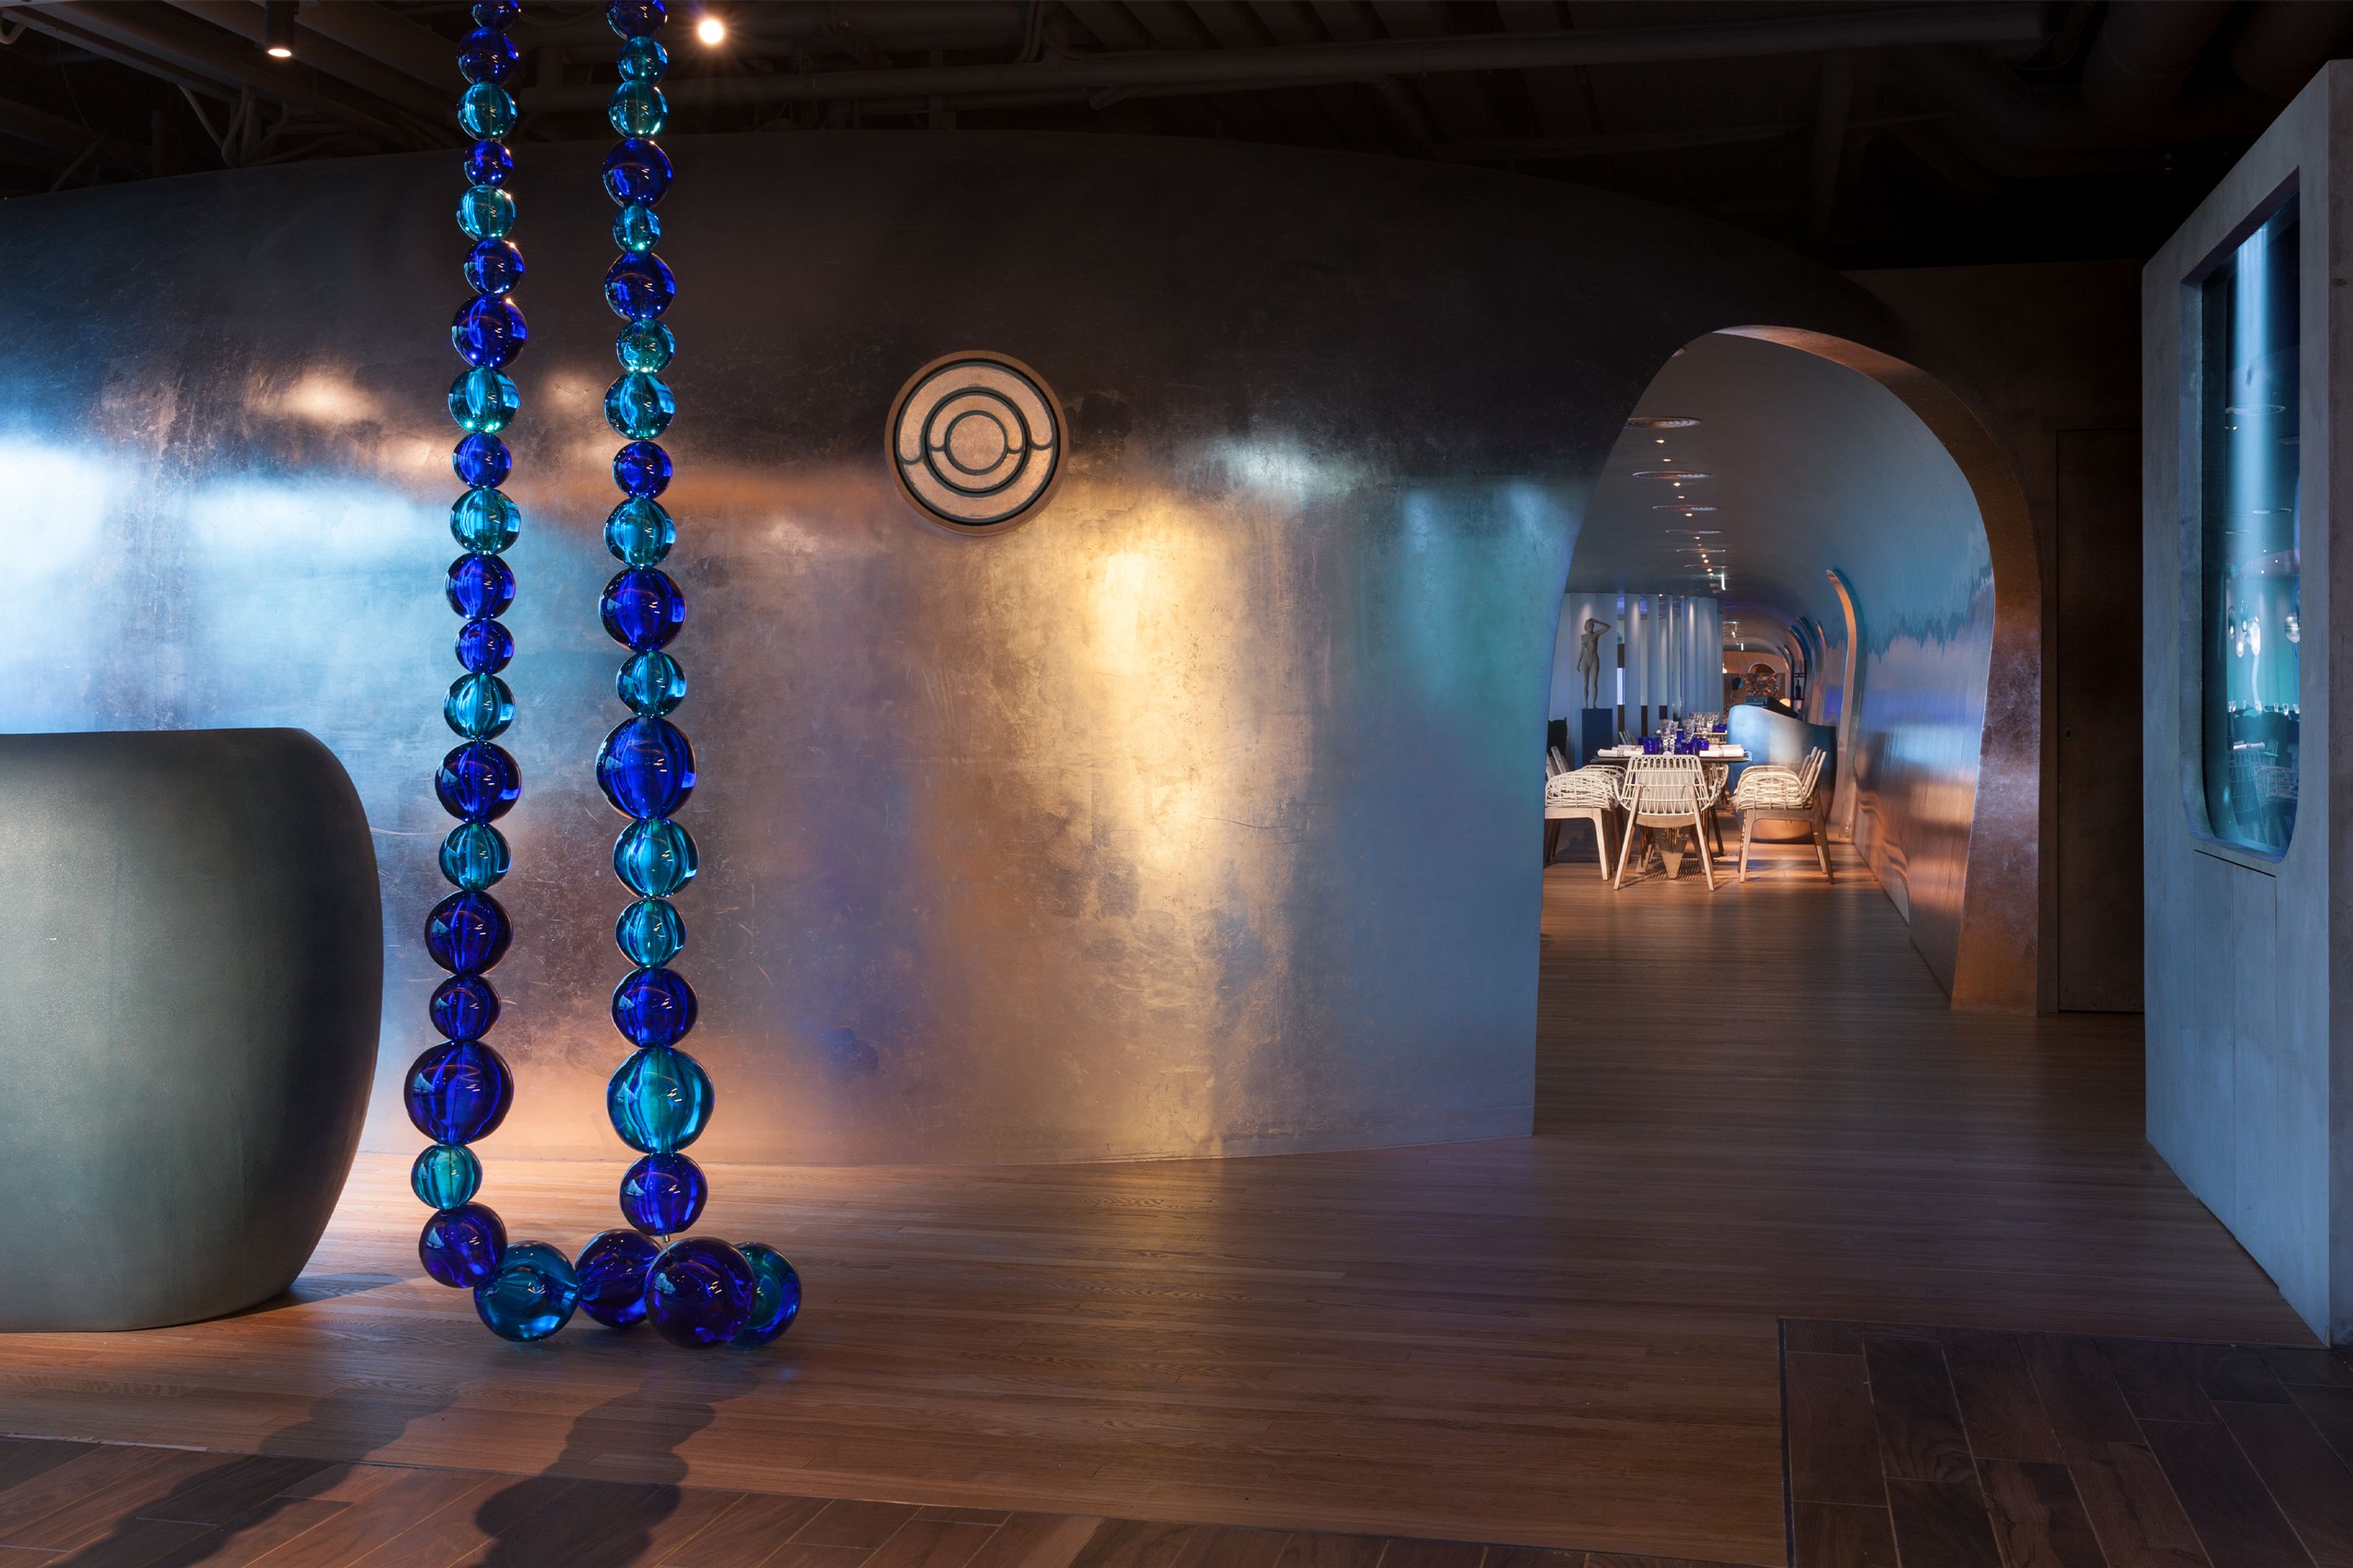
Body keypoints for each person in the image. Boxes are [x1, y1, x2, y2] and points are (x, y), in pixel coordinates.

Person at [1576, 617, 1610, 707]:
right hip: (1585, 660)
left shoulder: (1596, 635)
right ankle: (1585, 703)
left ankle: (1594, 704)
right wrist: (1578, 662)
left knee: (1594, 682)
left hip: (1594, 659)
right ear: (1586, 626)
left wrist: (1598, 621)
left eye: (1592, 625)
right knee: (1585, 682)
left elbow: (1608, 627)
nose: (1590, 626)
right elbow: (1582, 651)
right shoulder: (1582, 637)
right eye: (1589, 625)